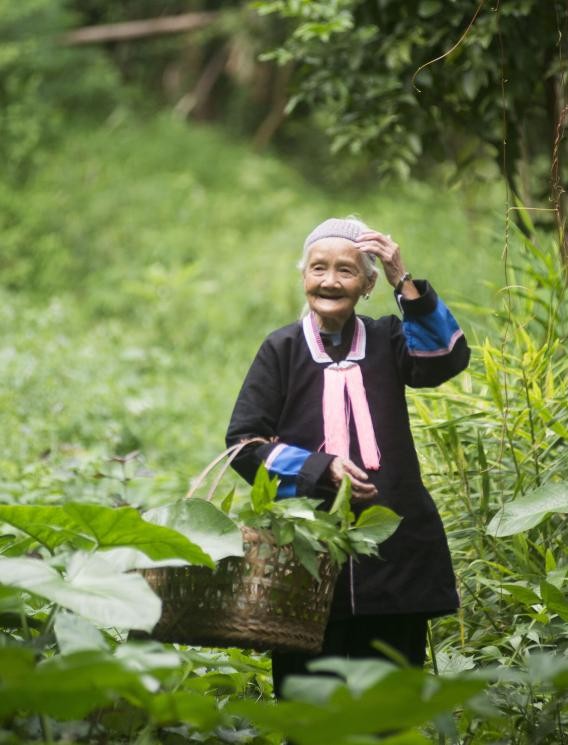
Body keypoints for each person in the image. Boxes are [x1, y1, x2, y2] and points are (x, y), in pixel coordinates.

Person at [225, 217, 470, 698]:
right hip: (305, 561)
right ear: (303, 276)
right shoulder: (282, 349)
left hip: (396, 552)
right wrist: (318, 469)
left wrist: (405, 278)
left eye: (346, 271)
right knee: (310, 709)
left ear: (368, 284)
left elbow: (445, 358)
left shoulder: (388, 340)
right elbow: (244, 445)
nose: (330, 281)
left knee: (390, 707)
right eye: (319, 268)